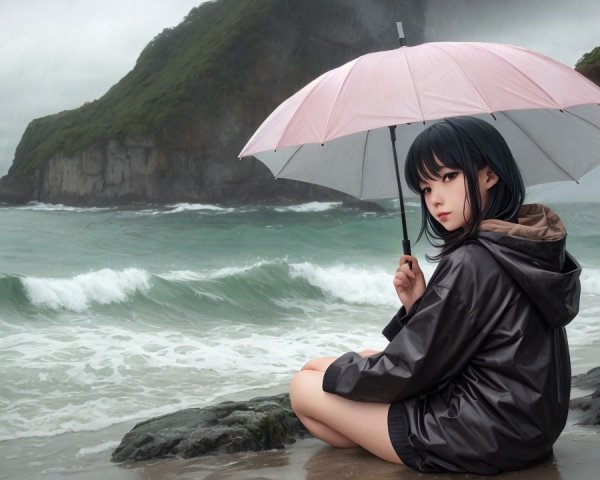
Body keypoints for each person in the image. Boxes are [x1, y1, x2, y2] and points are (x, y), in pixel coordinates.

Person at [289, 116, 581, 474]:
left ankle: (383, 438)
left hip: (481, 434)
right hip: (530, 426)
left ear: (489, 176)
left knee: (304, 385)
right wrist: (418, 304)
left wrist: (337, 376)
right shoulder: (522, 243)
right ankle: (371, 427)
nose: (435, 199)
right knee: (350, 362)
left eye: (448, 177)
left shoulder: (473, 259)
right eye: (426, 188)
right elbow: (457, 345)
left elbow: (412, 368)